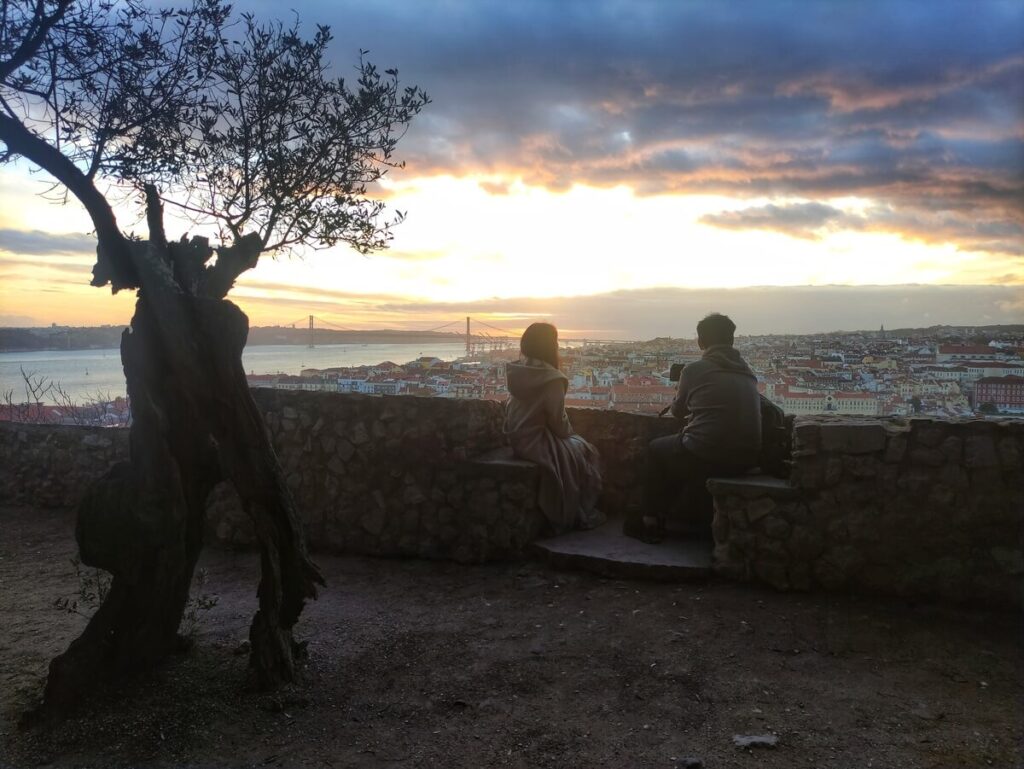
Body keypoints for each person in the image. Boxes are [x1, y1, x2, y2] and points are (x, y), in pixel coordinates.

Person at [625, 313, 761, 540]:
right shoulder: (747, 373)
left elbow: (678, 412)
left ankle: (650, 520)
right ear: (731, 340)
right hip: (746, 457)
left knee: (656, 449)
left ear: (701, 342)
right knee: (680, 451)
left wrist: (682, 390)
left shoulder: (694, 370)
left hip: (708, 453)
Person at [505, 322, 604, 532]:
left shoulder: (517, 372)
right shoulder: (551, 378)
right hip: (537, 441)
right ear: (551, 346)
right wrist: (572, 436)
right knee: (587, 450)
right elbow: (558, 422)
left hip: (516, 438)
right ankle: (581, 510)